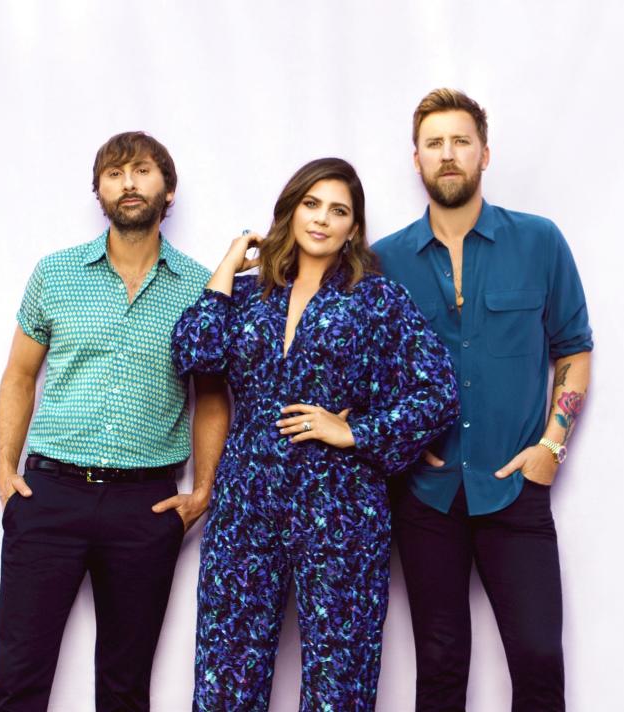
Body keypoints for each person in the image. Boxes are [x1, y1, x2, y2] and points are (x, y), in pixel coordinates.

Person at [171, 157, 460, 711]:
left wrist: (355, 432)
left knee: (339, 682)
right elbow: (194, 352)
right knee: (224, 675)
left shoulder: (377, 300)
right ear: (291, 210)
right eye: (311, 204)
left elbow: (438, 391)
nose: (322, 219)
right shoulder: (252, 295)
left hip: (341, 507)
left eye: (339, 210)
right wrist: (229, 265)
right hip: (245, 505)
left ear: (354, 227)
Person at [0, 131, 230, 712]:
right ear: (98, 190)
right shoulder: (56, 274)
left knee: (125, 686)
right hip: (48, 494)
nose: (129, 183)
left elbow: (213, 396)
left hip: (144, 507)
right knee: (20, 673)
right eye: (115, 173)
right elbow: (20, 375)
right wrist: (3, 467)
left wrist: (204, 489)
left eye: (143, 171)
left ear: (167, 191)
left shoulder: (201, 287)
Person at [373, 89, 593, 711]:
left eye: (461, 141)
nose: (448, 155)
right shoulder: (383, 261)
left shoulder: (539, 241)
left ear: (485, 154)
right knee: (440, 668)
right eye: (434, 144)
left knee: (539, 659)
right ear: (415, 160)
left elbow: (573, 350)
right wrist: (400, 449)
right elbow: (364, 375)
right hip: (425, 496)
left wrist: (552, 445)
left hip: (514, 486)